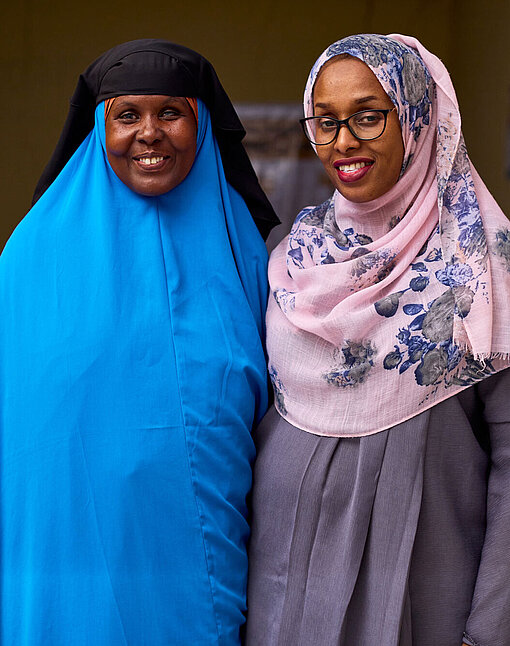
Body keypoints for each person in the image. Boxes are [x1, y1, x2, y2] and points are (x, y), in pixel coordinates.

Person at [0, 39, 278, 645]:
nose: (149, 134)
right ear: (99, 126)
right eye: (127, 115)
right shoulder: (29, 256)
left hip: (198, 553)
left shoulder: (248, 255)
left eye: (171, 113)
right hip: (62, 556)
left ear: (202, 125)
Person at [246, 34, 510, 646]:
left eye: (369, 116)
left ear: (418, 116)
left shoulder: (483, 264)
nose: (343, 142)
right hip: (281, 589)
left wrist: (492, 629)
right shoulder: (294, 259)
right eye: (326, 121)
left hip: (425, 590)